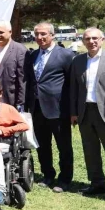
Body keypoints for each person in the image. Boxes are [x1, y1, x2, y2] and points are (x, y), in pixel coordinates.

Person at [69, 28, 105, 203]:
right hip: (85, 113)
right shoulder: (78, 61)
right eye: (87, 39)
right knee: (90, 150)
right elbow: (73, 89)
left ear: (102, 39)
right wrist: (73, 112)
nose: (91, 41)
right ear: (83, 41)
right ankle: (97, 184)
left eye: (95, 38)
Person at [24, 22, 74, 193]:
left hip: (58, 109)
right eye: (37, 34)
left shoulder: (66, 55)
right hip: (37, 108)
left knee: (63, 146)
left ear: (52, 35)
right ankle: (48, 174)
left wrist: (72, 109)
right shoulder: (32, 55)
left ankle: (65, 179)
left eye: (43, 34)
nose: (39, 37)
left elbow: (72, 83)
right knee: (42, 145)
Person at [0, 20, 27, 109]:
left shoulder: (20, 49)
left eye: (1, 32)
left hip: (9, 98)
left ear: (10, 32)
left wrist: (20, 103)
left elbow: (22, 79)